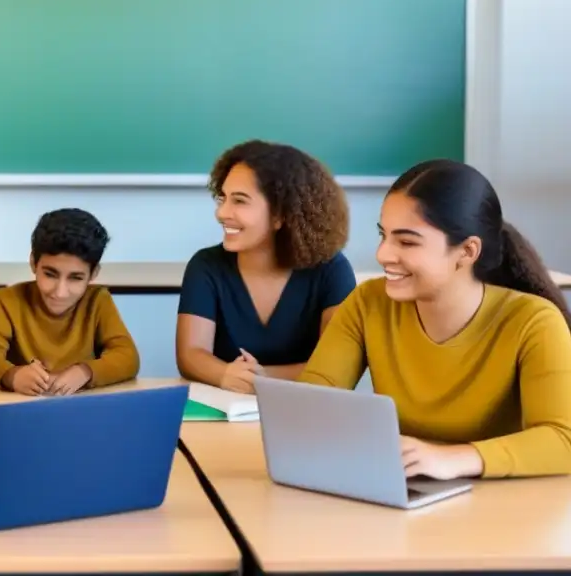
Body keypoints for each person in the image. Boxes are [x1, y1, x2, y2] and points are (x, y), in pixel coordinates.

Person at [300, 159, 571, 479]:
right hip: (406, 491)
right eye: (383, 235)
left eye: (407, 241)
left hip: (500, 506)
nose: (383, 254)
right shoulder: (368, 302)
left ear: (467, 252)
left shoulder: (534, 321)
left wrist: (451, 459)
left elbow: (562, 439)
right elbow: (312, 401)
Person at [176, 140, 355, 393]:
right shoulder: (206, 266)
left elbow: (337, 366)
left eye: (239, 201)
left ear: (281, 215)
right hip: (226, 413)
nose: (221, 213)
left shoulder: (332, 269)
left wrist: (261, 378)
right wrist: (225, 374)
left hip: (305, 413)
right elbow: (191, 354)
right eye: (222, 198)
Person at [0, 208, 140, 396]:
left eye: (75, 278)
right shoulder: (7, 300)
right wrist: (13, 375)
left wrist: (85, 372)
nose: (60, 292)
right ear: (34, 262)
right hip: (22, 407)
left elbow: (128, 356)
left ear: (93, 274)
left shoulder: (98, 301)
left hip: (79, 409)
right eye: (50, 274)